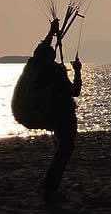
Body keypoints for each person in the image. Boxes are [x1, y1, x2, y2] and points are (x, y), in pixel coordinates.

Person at [14, 19, 83, 196]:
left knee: (62, 144)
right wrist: (77, 71)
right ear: (51, 58)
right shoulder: (55, 72)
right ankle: (50, 186)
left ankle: (50, 184)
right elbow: (75, 91)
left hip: (27, 113)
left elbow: (42, 49)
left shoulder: (32, 65)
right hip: (52, 115)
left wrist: (51, 32)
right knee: (66, 147)